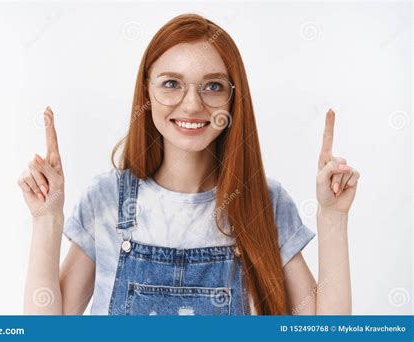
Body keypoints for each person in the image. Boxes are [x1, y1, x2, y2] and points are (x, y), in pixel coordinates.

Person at [18, 13, 360, 315]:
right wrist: (46, 219)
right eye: (171, 84)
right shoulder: (106, 200)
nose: (192, 104)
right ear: (146, 94)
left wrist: (333, 216)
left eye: (212, 86)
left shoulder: (264, 203)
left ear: (232, 97)